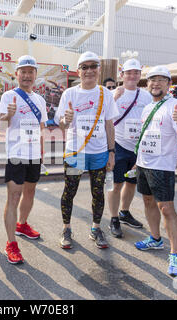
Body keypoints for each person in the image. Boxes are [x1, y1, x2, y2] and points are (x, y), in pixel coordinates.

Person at [55, 51, 119, 250]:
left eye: (93, 66)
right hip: (76, 154)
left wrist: (111, 152)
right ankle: (66, 228)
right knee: (70, 190)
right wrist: (66, 119)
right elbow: (62, 126)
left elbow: (109, 124)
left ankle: (96, 228)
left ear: (98, 70)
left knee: (97, 192)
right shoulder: (70, 94)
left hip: (99, 154)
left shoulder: (105, 93)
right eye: (85, 67)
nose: (89, 71)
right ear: (78, 71)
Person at [133, 66, 177, 277]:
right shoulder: (147, 108)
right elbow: (144, 136)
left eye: (160, 80)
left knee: (166, 208)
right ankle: (155, 239)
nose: (155, 84)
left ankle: (175, 253)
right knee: (148, 202)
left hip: (163, 166)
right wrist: (137, 161)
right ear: (147, 85)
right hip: (143, 163)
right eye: (152, 80)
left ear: (168, 84)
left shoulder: (176, 105)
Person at [0, 55, 48, 264]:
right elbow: (0, 127)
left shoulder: (40, 100)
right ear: (16, 74)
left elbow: (42, 129)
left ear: (35, 75)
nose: (27, 75)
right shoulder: (9, 97)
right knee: (14, 197)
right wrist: (8, 115)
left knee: (30, 191)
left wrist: (42, 154)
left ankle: (22, 224)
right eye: (23, 71)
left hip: (34, 155)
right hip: (17, 154)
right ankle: (11, 243)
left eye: (31, 71)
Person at [107, 59, 153, 238]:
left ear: (140, 75)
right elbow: (104, 115)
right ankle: (113, 218)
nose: (132, 76)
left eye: (136, 73)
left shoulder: (146, 96)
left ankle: (124, 212)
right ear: (122, 75)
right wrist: (115, 97)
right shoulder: (114, 94)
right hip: (118, 144)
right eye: (129, 72)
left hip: (138, 147)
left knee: (132, 182)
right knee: (115, 184)